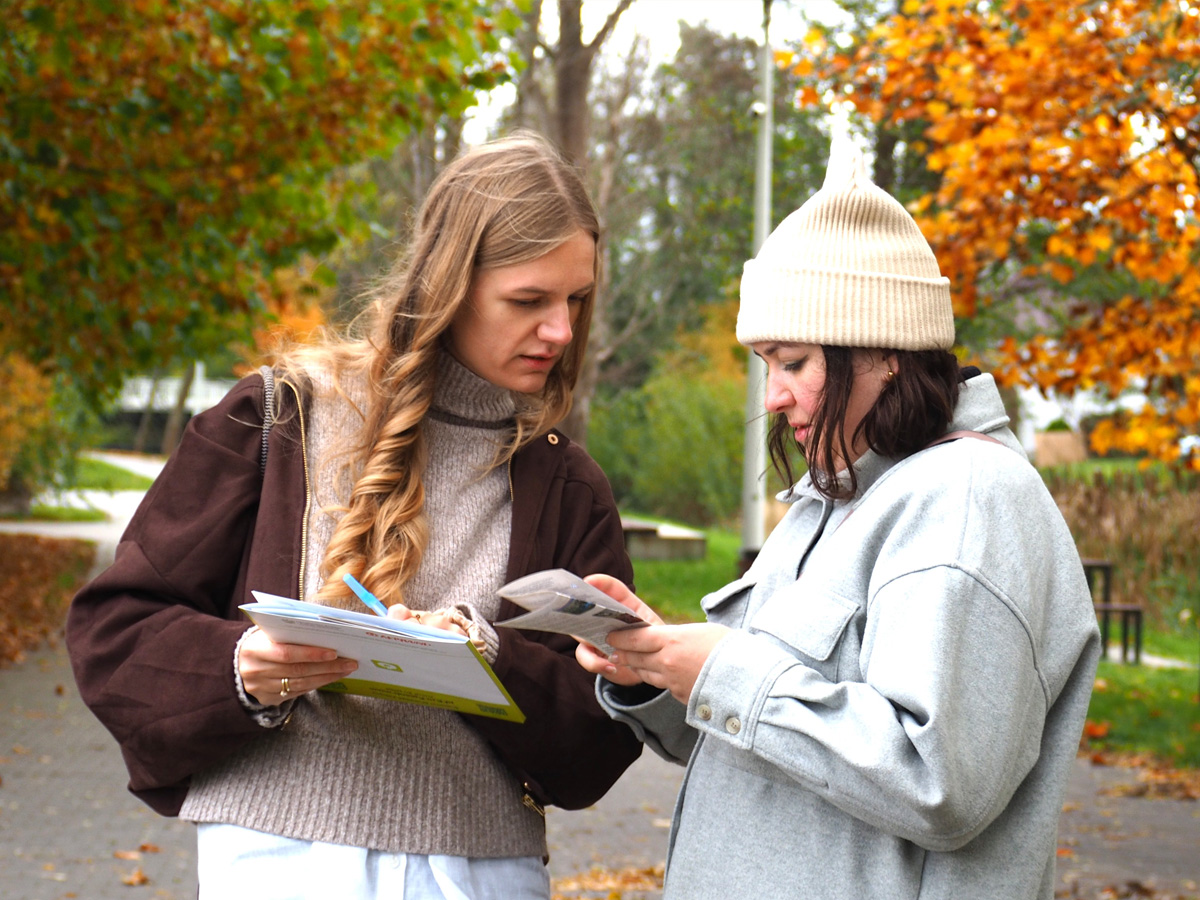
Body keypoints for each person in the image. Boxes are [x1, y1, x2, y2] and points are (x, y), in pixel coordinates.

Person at [67, 131, 642, 900]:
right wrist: (242, 668)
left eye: (576, 300)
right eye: (529, 300)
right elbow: (116, 629)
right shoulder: (276, 419)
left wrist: (488, 654)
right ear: (448, 284)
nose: (561, 332)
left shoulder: (567, 484)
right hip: (273, 859)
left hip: (479, 871)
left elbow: (600, 738)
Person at [576, 139, 1102, 900]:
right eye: (766, 366)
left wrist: (725, 672)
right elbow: (765, 746)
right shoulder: (837, 498)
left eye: (794, 363)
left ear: (885, 353)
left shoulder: (967, 500)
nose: (774, 396)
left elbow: (938, 781)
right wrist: (657, 671)